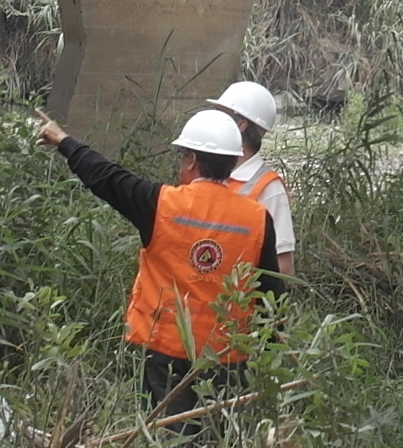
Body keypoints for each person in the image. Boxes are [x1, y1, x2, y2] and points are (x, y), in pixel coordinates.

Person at [34, 104, 283, 421]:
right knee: (217, 445)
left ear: (191, 159)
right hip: (226, 357)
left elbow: (106, 177)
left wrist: (64, 141)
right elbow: (272, 295)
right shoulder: (258, 218)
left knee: (169, 444)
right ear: (234, 161)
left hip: (164, 350)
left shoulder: (161, 204)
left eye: (183, 156)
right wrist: (271, 359)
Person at [207, 79, 296, 278]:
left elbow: (283, 268)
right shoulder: (205, 171)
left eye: (220, 115)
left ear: (241, 125)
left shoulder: (268, 188)